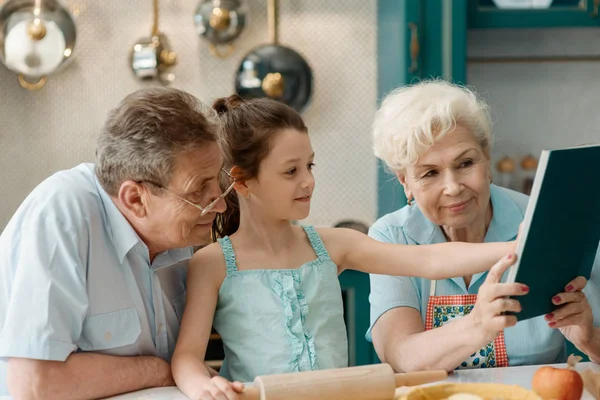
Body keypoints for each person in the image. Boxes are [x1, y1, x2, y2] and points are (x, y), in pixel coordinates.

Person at [171, 95, 517, 400]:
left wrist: (517, 247)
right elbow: (186, 357)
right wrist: (203, 387)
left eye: (309, 165)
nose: (308, 180)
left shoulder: (332, 245)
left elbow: (427, 259)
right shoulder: (212, 263)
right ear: (242, 182)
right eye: (291, 171)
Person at [0, 87, 228, 399]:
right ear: (135, 199)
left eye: (218, 181)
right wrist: (160, 371)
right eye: (199, 190)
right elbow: (35, 384)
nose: (220, 205)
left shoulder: (183, 231)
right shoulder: (62, 213)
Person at [367, 80, 600, 372]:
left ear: (486, 157)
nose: (452, 187)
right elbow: (400, 355)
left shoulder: (547, 221)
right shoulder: (391, 237)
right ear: (405, 181)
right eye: (429, 172)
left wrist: (589, 338)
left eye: (465, 163)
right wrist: (477, 324)